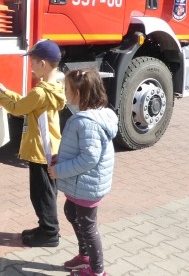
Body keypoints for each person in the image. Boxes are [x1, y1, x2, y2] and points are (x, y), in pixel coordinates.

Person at [0, 39, 66, 247]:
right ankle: (45, 226)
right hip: (48, 149)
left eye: (32, 62)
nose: (30, 66)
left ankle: (50, 233)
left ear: (43, 65)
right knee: (46, 192)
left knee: (42, 195)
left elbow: (17, 109)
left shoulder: (40, 92)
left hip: (41, 151)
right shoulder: (53, 87)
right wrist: (6, 91)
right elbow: (26, 103)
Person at [47, 68, 118, 276]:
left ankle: (97, 271)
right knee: (71, 211)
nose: (64, 90)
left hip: (87, 185)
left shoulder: (86, 123)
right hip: (83, 183)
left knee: (88, 227)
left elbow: (89, 158)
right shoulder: (90, 118)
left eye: (66, 88)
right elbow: (81, 150)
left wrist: (59, 170)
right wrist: (61, 158)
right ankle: (84, 255)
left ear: (77, 93)